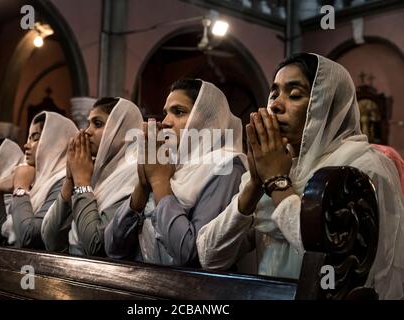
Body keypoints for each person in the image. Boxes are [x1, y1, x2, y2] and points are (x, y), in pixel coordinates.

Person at [196, 53, 404, 299]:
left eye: (294, 95)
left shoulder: (364, 167)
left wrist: (277, 182)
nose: (275, 105)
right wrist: (254, 184)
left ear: (327, 105)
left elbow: (336, 267)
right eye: (274, 94)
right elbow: (210, 256)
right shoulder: (277, 163)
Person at [104, 79, 247, 267]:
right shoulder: (171, 165)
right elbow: (113, 249)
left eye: (178, 112)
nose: (166, 122)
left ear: (206, 120)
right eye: (166, 113)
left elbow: (192, 255)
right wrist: (143, 184)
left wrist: (159, 183)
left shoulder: (225, 166)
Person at [41, 97, 143, 255]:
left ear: (122, 130)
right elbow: (50, 240)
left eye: (98, 123)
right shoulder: (93, 171)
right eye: (89, 123)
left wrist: (82, 182)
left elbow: (95, 246)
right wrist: (70, 179)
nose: (87, 131)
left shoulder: (134, 175)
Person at [0, 112, 78, 249]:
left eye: (35, 138)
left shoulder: (65, 181)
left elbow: (30, 238)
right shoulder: (33, 180)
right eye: (29, 138)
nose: (26, 145)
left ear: (56, 143)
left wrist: (21, 188)